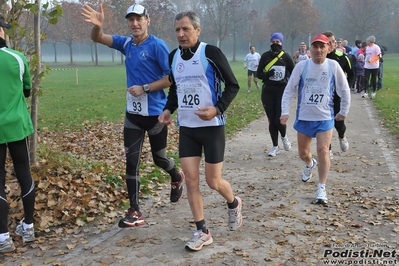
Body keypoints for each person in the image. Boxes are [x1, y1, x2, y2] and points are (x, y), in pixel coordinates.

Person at [81, 3, 185, 228]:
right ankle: (135, 210)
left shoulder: (157, 46)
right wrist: (97, 26)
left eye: (139, 19)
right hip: (133, 115)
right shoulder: (126, 43)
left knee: (160, 159)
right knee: (131, 161)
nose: (135, 24)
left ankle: (176, 176)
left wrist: (145, 88)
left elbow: (171, 79)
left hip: (156, 115)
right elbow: (98, 38)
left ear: (147, 20)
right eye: (131, 20)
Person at [158, 11, 242, 251]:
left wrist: (217, 109)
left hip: (212, 127)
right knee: (192, 181)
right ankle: (202, 230)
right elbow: (176, 89)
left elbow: (233, 85)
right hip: (187, 128)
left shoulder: (210, 53)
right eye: (177, 30)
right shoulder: (174, 56)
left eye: (185, 29)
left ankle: (234, 202)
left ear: (197, 30)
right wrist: (167, 110)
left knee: (213, 181)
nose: (181, 34)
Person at [280, 34, 351, 205]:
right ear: (310, 50)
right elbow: (289, 90)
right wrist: (285, 112)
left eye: (322, 47)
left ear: (328, 49)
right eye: (315, 47)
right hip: (304, 117)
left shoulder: (333, 66)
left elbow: (344, 90)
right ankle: (310, 163)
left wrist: (343, 111)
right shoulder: (302, 66)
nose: (318, 50)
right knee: (303, 153)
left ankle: (321, 187)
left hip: (324, 117)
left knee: (323, 150)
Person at [0, 18, 36, 252]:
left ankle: (3, 236)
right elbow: (27, 90)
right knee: (24, 172)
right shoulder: (17, 57)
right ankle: (29, 226)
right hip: (17, 125)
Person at [256, 32, 295, 157]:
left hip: (281, 92)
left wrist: (289, 83)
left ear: (281, 43)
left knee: (279, 119)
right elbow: (259, 74)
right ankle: (274, 146)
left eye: (278, 42)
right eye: (273, 41)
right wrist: (268, 74)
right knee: (271, 120)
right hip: (268, 91)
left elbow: (294, 73)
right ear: (270, 42)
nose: (275, 44)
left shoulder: (287, 57)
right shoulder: (265, 56)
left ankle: (284, 137)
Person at [323, 31, 354, 159]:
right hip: (323, 99)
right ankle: (328, 149)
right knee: (325, 124)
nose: (331, 44)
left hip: (337, 96)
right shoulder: (318, 57)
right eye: (328, 42)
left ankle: (342, 136)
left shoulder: (342, 56)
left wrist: (346, 87)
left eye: (333, 42)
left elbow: (352, 73)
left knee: (338, 124)